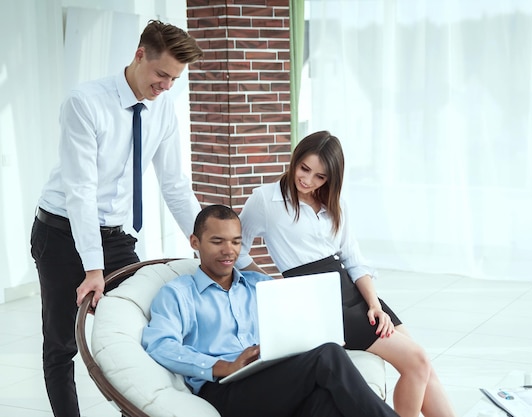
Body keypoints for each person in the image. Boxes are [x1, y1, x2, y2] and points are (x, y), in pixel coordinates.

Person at [30, 20, 203, 417]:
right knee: (62, 343)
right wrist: (93, 267)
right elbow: (80, 192)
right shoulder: (85, 102)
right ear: (139, 54)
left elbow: (175, 185)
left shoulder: (163, 110)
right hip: (59, 231)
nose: (166, 87)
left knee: (140, 331)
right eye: (162, 75)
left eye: (175, 79)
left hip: (116, 235)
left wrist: (205, 242)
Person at [235, 131, 457, 417]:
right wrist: (273, 284)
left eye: (320, 177)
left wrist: (375, 305)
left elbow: (353, 260)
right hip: (323, 303)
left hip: (352, 290)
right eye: (304, 168)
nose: (308, 180)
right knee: (416, 361)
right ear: (295, 159)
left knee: (425, 367)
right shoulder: (266, 200)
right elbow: (238, 250)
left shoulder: (334, 205)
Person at [141, 204, 400, 417]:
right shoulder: (178, 293)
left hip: (272, 379)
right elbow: (160, 345)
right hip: (223, 389)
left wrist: (317, 334)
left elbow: (294, 328)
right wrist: (224, 366)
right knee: (328, 356)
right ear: (195, 242)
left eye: (235, 242)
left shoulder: (260, 285)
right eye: (217, 241)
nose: (228, 250)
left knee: (326, 403)